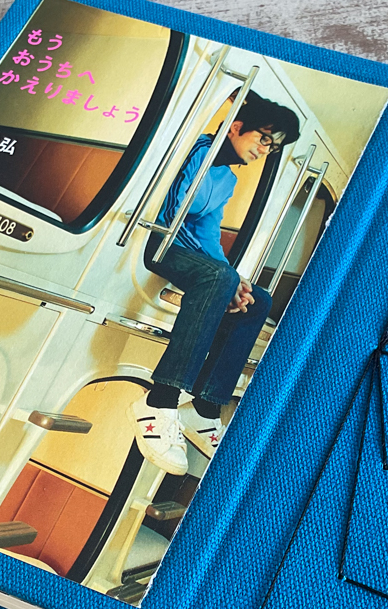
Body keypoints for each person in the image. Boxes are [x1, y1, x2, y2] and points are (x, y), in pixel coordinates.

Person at [128, 91, 301, 474]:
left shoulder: (226, 179)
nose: (265, 150)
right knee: (219, 276)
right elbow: (171, 215)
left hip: (183, 249)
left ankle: (205, 408)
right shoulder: (197, 151)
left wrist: (236, 281)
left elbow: (207, 233)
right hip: (155, 240)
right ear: (236, 127)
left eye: (273, 147)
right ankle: (159, 400)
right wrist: (222, 275)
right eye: (264, 138)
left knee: (258, 299)